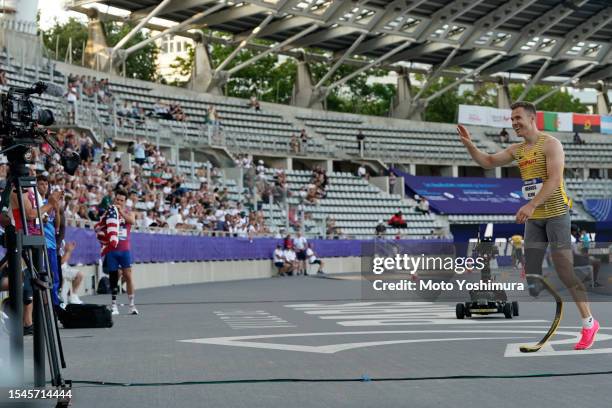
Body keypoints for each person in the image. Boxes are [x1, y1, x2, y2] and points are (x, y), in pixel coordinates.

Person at [457, 100, 598, 350]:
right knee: (531, 272)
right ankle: (564, 288)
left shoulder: (551, 144)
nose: (514, 124)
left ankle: (588, 323)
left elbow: (554, 179)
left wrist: (531, 205)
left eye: (518, 119)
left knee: (564, 270)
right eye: (512, 120)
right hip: (535, 218)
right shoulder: (518, 150)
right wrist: (470, 145)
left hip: (555, 214)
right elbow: (488, 161)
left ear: (532, 119)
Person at [95, 190, 138, 315]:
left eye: (121, 200)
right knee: (114, 278)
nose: (119, 202)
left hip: (125, 250)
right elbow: (100, 224)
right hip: (112, 250)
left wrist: (120, 212)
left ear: (125, 202)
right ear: (114, 200)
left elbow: (132, 221)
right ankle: (114, 305)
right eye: (117, 200)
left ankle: (131, 305)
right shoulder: (109, 213)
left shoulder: (129, 212)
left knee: (128, 276)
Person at [59, 241, 84, 305]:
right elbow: (60, 262)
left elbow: (65, 259)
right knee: (79, 275)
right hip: (58, 269)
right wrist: (68, 251)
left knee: (79, 275)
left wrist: (68, 250)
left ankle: (73, 295)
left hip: (65, 268)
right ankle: (70, 296)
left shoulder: (62, 241)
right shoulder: (53, 242)